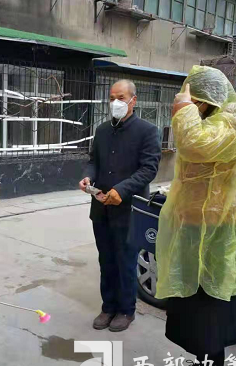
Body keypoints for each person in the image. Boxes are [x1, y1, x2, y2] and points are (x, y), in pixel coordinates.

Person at [155, 66, 236, 366]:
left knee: (210, 322)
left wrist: (184, 109)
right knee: (195, 320)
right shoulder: (215, 120)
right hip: (195, 231)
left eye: (196, 101)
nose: (193, 108)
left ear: (207, 98)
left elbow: (196, 145)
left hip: (216, 238)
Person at [80, 79, 161, 332]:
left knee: (125, 262)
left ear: (133, 100)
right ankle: (108, 307)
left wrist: (121, 190)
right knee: (106, 261)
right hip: (101, 209)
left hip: (129, 210)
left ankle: (126, 310)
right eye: (112, 98)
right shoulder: (103, 130)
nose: (115, 102)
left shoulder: (147, 131)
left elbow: (148, 169)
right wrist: (88, 178)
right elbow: (93, 161)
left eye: (121, 98)